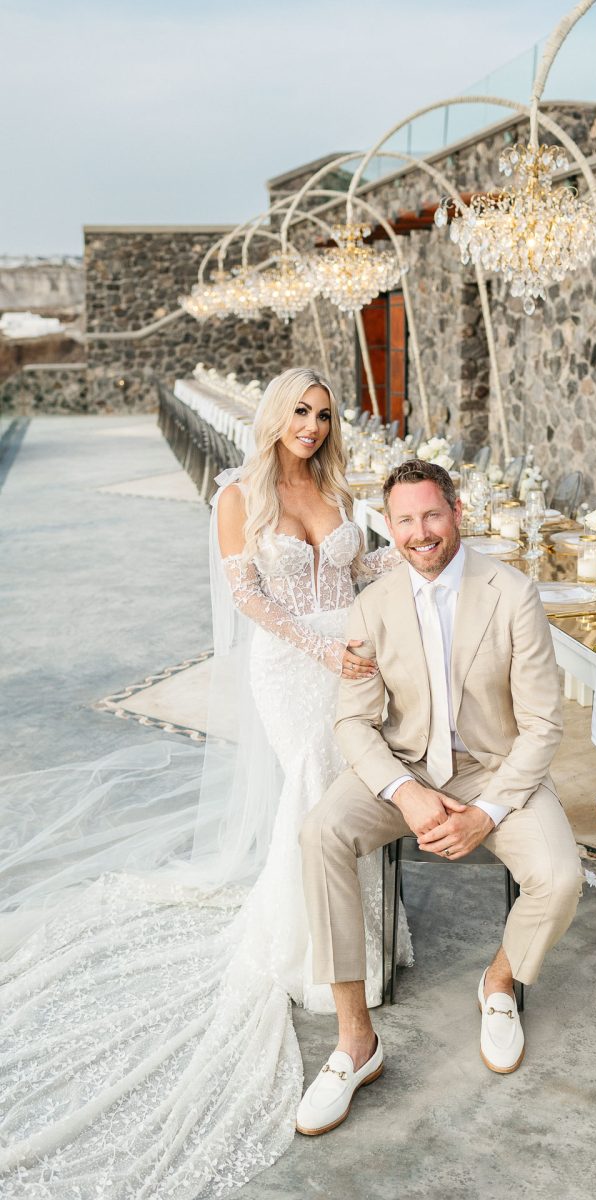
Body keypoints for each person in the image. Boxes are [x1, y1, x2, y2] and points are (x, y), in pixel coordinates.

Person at [0, 367, 408, 1197]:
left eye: (323, 414)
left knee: (352, 790)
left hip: (352, 658)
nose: (311, 424)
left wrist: (405, 558)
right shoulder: (239, 494)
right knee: (311, 785)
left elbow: (358, 575)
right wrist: (325, 649)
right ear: (272, 415)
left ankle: (367, 947)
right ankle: (314, 959)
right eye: (299, 410)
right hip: (294, 666)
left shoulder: (335, 484)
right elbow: (252, 599)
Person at [296, 459, 583, 1136]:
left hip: (495, 772)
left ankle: (501, 982)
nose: (420, 532)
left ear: (457, 512)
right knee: (320, 834)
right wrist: (405, 792)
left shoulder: (513, 593)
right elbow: (353, 721)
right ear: (388, 527)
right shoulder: (373, 604)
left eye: (431, 514)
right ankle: (355, 1044)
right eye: (404, 520)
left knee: (562, 876)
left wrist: (488, 812)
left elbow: (543, 723)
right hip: (402, 770)